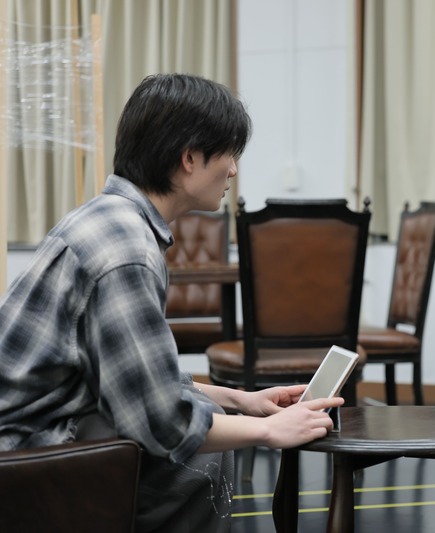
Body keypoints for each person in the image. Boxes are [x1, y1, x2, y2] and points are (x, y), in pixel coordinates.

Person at [0, 73, 343, 533]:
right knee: (196, 459)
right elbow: (161, 420)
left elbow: (136, 383)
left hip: (34, 429)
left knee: (213, 418)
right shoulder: (126, 249)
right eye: (229, 154)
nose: (234, 170)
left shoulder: (111, 219)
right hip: (22, 453)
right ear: (189, 158)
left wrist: (241, 400)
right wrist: (268, 431)